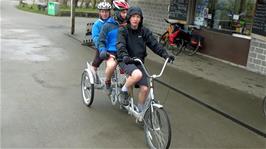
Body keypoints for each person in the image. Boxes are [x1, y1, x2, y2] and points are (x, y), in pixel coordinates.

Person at [116, 6, 175, 112]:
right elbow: (121, 44)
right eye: (133, 16)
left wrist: (165, 54)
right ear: (129, 17)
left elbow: (154, 44)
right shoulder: (123, 30)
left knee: (145, 88)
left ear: (141, 19)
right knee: (137, 75)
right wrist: (124, 55)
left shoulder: (144, 31)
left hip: (138, 62)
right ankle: (123, 90)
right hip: (125, 60)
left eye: (138, 16)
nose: (135, 19)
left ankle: (140, 110)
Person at [98, 0, 129, 95]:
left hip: (124, 53)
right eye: (123, 12)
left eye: (126, 11)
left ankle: (124, 90)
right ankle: (107, 82)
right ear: (116, 12)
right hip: (111, 53)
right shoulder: (107, 25)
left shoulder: (128, 25)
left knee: (132, 73)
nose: (126, 14)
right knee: (111, 66)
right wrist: (103, 50)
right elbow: (101, 40)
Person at [91, 0, 112, 85]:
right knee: (95, 64)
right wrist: (101, 47)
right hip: (101, 47)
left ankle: (109, 79)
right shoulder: (97, 24)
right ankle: (93, 78)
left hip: (111, 47)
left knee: (112, 64)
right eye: (102, 11)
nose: (104, 13)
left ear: (109, 12)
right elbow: (95, 38)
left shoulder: (112, 22)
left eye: (106, 11)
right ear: (99, 12)